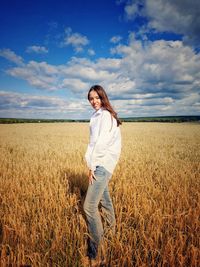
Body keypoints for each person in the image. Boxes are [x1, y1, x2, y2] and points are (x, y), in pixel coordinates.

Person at [83, 85, 122, 266]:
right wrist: (88, 163)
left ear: (103, 97)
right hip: (99, 163)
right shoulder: (96, 116)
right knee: (105, 201)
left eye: (97, 97)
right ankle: (111, 236)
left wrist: (93, 166)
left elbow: (101, 144)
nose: (94, 101)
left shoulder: (105, 116)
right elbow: (92, 143)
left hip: (103, 164)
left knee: (89, 207)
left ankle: (97, 254)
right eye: (91, 98)